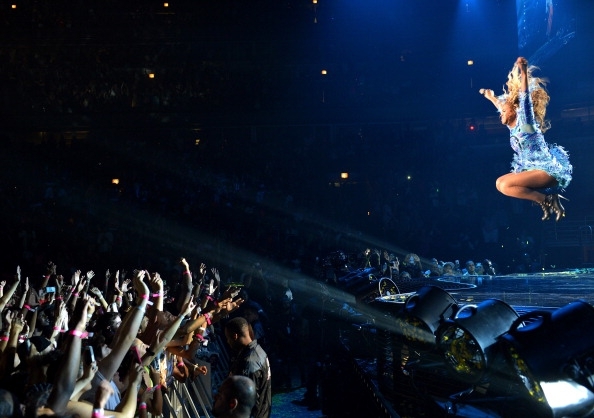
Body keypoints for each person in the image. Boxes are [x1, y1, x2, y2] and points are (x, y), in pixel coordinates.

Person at [480, 56, 572, 221]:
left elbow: (524, 99)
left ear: (515, 109)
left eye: (503, 110)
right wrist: (491, 97)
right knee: (500, 184)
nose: (500, 112)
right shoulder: (511, 125)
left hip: (546, 171)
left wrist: (523, 72)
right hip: (533, 171)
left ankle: (548, 200)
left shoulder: (526, 123)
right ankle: (546, 201)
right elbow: (503, 105)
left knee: (506, 184)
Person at [224, 317, 272, 418]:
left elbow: (247, 400)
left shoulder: (248, 363)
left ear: (235, 336)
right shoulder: (259, 351)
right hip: (263, 412)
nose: (228, 341)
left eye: (228, 338)